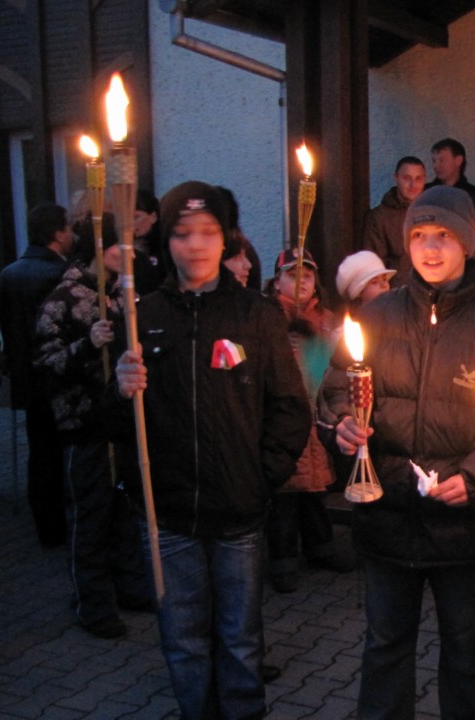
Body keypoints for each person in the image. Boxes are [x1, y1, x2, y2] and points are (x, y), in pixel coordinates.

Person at [318, 185, 475, 720]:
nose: (430, 247)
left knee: (463, 651)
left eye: (444, 235)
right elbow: (336, 387)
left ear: (467, 242)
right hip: (387, 512)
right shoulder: (377, 318)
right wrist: (343, 424)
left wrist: (473, 476)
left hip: (462, 525)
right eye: (419, 235)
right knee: (385, 646)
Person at [112, 181, 311, 719]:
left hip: (238, 512)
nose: (195, 245)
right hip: (169, 514)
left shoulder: (256, 314)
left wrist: (260, 476)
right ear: (166, 243)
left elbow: (291, 407)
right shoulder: (141, 315)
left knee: (240, 639)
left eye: (208, 233)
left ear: (227, 241)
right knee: (183, 639)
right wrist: (118, 386)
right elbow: (113, 424)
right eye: (182, 234)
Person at [33, 214, 150, 639]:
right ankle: (92, 601)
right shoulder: (63, 298)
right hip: (84, 426)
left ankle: (131, 587)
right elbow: (45, 365)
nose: (131, 252)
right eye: (122, 245)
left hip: (120, 422)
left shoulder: (122, 295)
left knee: (125, 508)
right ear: (100, 249)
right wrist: (89, 344)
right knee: (90, 514)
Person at [263, 248, 348, 594]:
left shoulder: (326, 320)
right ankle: (282, 558)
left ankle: (321, 547)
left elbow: (333, 366)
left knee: (315, 489)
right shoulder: (267, 316)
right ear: (277, 279)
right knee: (285, 493)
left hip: (318, 413)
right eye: (292, 274)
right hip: (284, 416)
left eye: (308, 275)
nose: (301, 282)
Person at [0, 202, 76, 548]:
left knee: (40, 454)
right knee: (65, 454)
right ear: (58, 233)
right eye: (70, 227)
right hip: (60, 378)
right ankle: (68, 524)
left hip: (28, 380)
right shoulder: (62, 274)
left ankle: (47, 527)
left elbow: (9, 329)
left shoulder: (10, 273)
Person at [362, 156, 427, 283]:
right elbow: (373, 266)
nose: (413, 185)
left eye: (418, 178)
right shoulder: (379, 217)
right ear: (396, 178)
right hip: (396, 296)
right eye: (407, 178)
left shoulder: (434, 214)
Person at [425, 137, 475, 203]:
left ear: (458, 160)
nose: (436, 166)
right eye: (434, 161)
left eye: (442, 160)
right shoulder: (425, 193)